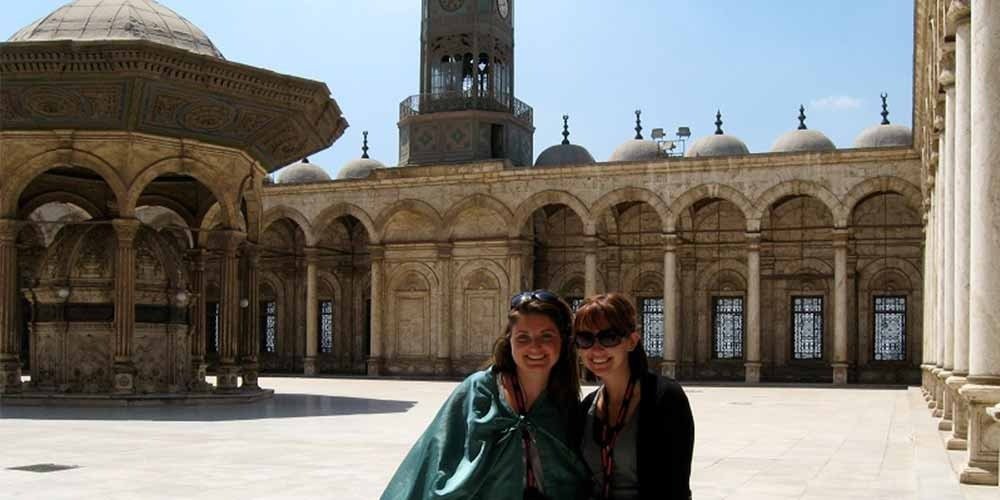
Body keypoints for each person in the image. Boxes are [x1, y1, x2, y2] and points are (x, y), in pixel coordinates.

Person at [381, 290, 589, 500]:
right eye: (523, 337)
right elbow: (435, 459)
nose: (534, 347)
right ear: (509, 341)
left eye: (546, 336)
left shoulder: (564, 399)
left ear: (562, 341)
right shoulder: (480, 390)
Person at [572, 293, 694, 500]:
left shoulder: (665, 399)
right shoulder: (586, 407)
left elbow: (675, 488)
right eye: (585, 339)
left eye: (608, 337)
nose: (596, 349)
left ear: (632, 341)